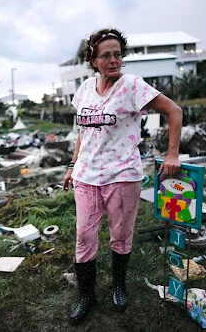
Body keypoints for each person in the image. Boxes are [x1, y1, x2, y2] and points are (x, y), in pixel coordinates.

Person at [63, 28, 182, 325]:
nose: (113, 60)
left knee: (120, 236)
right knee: (84, 237)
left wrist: (172, 154)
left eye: (118, 54)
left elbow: (174, 110)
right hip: (87, 176)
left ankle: (118, 286)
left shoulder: (133, 86)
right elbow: (83, 131)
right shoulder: (85, 89)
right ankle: (87, 296)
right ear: (93, 60)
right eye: (106, 55)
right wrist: (72, 165)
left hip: (122, 175)